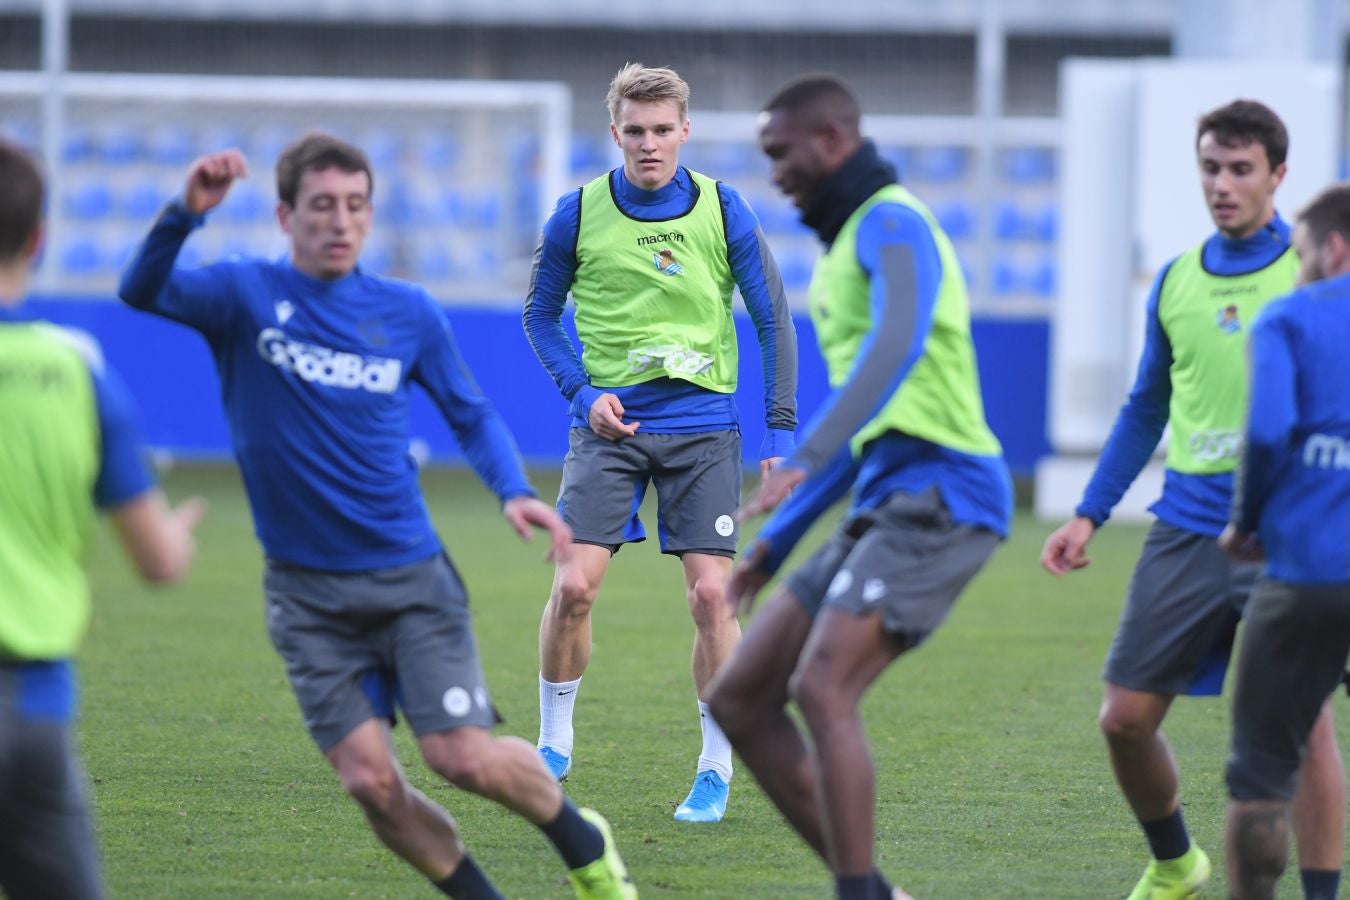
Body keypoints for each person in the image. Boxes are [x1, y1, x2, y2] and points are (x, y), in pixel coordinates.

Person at [118, 134, 636, 900]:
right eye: (322, 205)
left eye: (356, 205)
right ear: (285, 215)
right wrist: (183, 213)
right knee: (371, 783)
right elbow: (142, 290)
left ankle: (582, 842)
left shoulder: (406, 312)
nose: (341, 221)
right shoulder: (241, 295)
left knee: (461, 758)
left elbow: (469, 412)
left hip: (409, 580)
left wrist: (511, 488)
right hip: (305, 596)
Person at [705, 73, 1011, 900]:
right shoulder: (843, 250)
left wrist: (806, 453)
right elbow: (865, 423)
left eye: (782, 152)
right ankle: (873, 890)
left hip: (948, 489)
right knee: (740, 698)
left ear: (833, 140)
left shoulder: (894, 222)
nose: (775, 171)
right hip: (887, 492)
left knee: (821, 687)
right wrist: (774, 544)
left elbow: (898, 344)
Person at [1040, 99, 1345, 900]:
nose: (1222, 184)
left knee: (1307, 729)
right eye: (1211, 167)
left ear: (1278, 176)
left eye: (1241, 169)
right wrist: (1089, 511)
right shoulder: (1177, 278)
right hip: (1187, 524)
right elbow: (1147, 405)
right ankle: (1176, 861)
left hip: (1286, 530)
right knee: (1124, 719)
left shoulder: (1313, 275)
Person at [523, 62, 798, 822]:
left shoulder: (724, 208)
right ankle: (553, 743)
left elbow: (773, 319)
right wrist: (582, 393)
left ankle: (715, 765)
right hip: (606, 430)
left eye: (663, 130)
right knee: (574, 588)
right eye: (635, 131)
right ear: (615, 134)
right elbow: (539, 316)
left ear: (685, 131)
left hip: (703, 429)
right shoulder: (576, 213)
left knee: (713, 597)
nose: (649, 144)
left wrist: (779, 430)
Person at [0, 138, 203, 899]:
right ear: (38, 238)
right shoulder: (75, 368)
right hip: (34, 711)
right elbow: (160, 563)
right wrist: (177, 533)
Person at [1220, 183, 1350, 899]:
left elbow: (1268, 433)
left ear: (1335, 249)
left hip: (1307, 572)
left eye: (1301, 254)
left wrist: (1246, 524)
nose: (1297, 269)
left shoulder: (1288, 317)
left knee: (1262, 775)